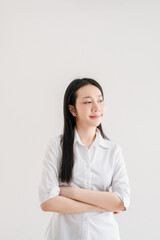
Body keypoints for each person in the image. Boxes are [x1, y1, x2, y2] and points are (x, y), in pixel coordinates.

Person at [38, 78, 131, 240]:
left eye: (100, 100)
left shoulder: (113, 150)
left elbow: (122, 202)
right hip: (64, 235)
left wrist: (70, 192)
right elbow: (48, 202)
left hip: (104, 235)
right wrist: (102, 204)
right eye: (88, 102)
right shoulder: (56, 147)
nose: (97, 107)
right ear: (72, 110)